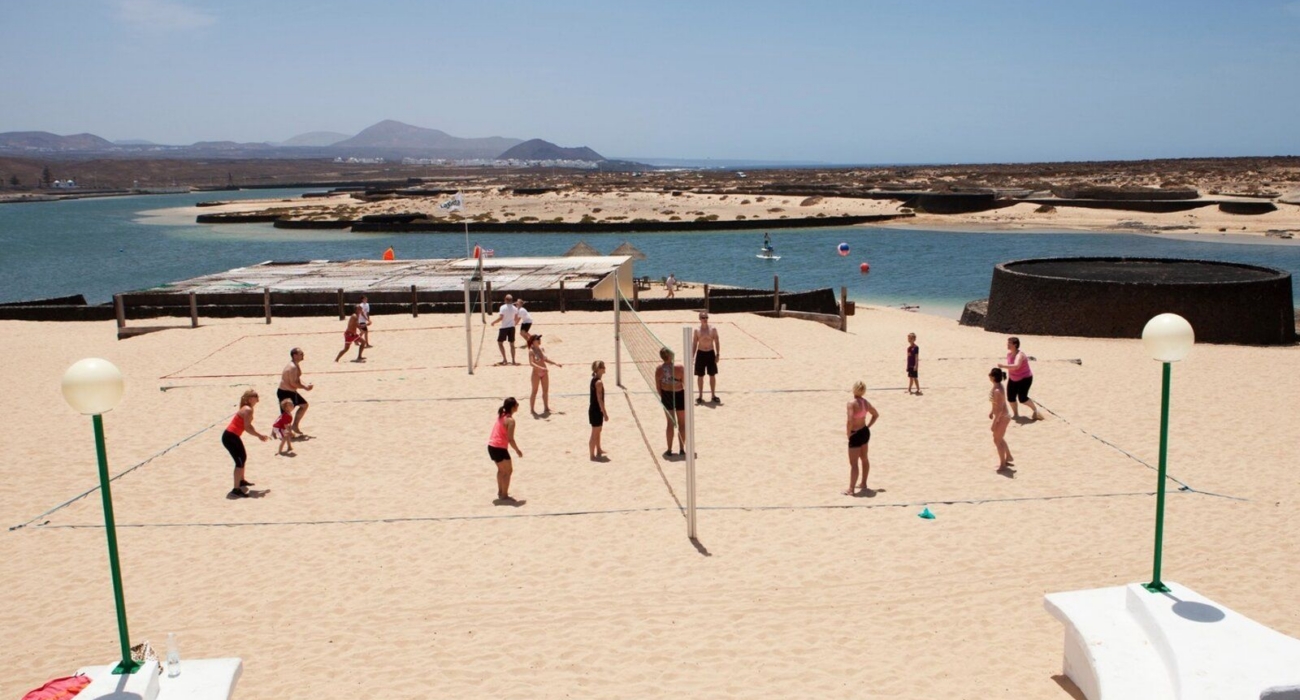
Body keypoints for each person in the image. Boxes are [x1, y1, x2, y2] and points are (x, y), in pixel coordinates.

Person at [222, 389, 268, 498]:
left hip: (233, 436)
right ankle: (236, 489)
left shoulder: (247, 408)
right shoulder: (247, 409)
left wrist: (258, 434)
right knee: (239, 462)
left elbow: (248, 425)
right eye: (256, 397)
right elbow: (247, 428)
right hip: (230, 437)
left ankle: (241, 481)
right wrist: (259, 435)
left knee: (243, 457)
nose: (258, 400)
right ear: (250, 399)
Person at [845, 381, 879, 496]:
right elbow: (876, 414)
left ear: (854, 389)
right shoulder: (865, 403)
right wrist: (868, 426)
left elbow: (850, 421)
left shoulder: (851, 403)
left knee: (854, 463)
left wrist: (848, 433)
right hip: (864, 431)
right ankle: (863, 483)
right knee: (864, 458)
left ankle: (851, 489)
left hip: (855, 433)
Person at [488, 397, 524, 502]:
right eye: (517, 404)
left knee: (501, 470)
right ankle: (504, 495)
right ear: (513, 407)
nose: (518, 406)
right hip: (499, 447)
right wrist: (517, 450)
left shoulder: (501, 414)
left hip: (491, 446)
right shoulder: (511, 421)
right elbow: (510, 439)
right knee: (508, 471)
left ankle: (500, 492)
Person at [998, 337, 1042, 420]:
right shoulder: (1009, 354)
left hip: (1025, 379)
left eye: (1009, 343)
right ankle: (1016, 414)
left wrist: (1003, 366)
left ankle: (1035, 410)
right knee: (1011, 398)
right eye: (1008, 343)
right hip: (1013, 378)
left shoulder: (1020, 355)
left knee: (1022, 398)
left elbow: (1016, 366)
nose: (1007, 344)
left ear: (1015, 345)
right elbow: (1011, 367)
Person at [656, 347, 686, 457]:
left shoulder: (659, 369)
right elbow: (684, 383)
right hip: (679, 394)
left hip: (666, 395)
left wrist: (664, 397)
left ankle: (669, 450)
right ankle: (682, 449)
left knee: (670, 423)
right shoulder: (680, 368)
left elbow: (658, 387)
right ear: (669, 356)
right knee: (682, 423)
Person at [277, 347, 314, 436]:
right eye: (301, 354)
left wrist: (306, 385)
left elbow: (297, 379)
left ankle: (295, 426)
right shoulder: (292, 367)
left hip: (291, 392)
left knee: (304, 405)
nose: (303, 355)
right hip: (285, 392)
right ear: (295, 355)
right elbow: (293, 383)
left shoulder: (296, 364)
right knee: (286, 415)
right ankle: (280, 432)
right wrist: (305, 387)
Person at [527, 334, 562, 414]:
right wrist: (540, 368)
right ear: (533, 341)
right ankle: (532, 409)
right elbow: (531, 363)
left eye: (539, 339)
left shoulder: (541, 349)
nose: (539, 340)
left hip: (544, 372)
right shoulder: (531, 351)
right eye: (537, 339)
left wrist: (555, 363)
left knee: (545, 391)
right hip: (536, 373)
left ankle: (546, 408)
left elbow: (546, 359)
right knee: (534, 391)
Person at [691, 311, 720, 403]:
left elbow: (717, 341)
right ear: (699, 319)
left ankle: (713, 395)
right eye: (703, 318)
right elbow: (695, 343)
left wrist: (718, 354)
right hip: (701, 354)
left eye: (706, 317)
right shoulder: (697, 330)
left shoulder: (713, 329)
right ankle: (700, 396)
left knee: (712, 375)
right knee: (700, 376)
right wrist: (692, 356)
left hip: (710, 353)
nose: (705, 319)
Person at [988, 368, 1014, 471]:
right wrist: (991, 411)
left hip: (1002, 417)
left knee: (997, 440)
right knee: (999, 438)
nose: (989, 376)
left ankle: (1003, 464)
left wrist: (994, 423)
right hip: (1002, 416)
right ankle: (1008, 456)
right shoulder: (998, 386)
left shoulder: (997, 391)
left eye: (990, 374)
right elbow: (997, 403)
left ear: (993, 377)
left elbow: (999, 409)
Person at [589, 360, 609, 461]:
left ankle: (599, 450)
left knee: (598, 430)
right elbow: (599, 399)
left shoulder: (594, 379)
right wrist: (605, 413)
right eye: (603, 367)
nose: (605, 368)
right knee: (594, 433)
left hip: (595, 410)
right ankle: (592, 456)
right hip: (596, 410)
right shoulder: (599, 382)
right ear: (599, 369)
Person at [490, 293, 518, 365]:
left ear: (505, 300)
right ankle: (513, 360)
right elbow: (516, 318)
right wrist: (513, 323)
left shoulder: (503, 307)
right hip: (512, 327)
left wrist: (493, 322)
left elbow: (501, 318)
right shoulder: (515, 308)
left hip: (504, 327)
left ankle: (505, 359)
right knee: (512, 344)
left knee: (500, 343)